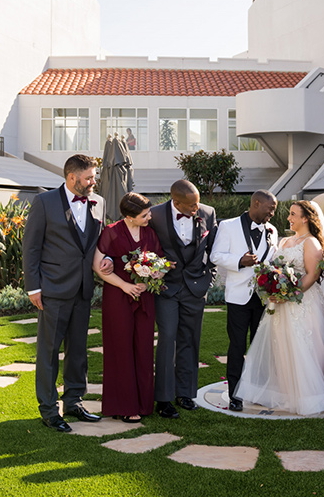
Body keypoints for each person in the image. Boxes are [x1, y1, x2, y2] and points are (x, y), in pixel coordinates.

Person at [23, 154, 107, 432]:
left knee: (78, 351)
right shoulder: (44, 202)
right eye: (89, 178)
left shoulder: (99, 202)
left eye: (94, 176)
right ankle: (49, 410)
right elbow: (31, 247)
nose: (94, 181)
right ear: (72, 178)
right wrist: (33, 287)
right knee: (48, 352)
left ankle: (74, 401)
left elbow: (96, 243)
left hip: (83, 289)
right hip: (52, 290)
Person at [236, 200, 324, 415]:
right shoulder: (286, 240)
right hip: (279, 303)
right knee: (281, 346)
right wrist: (272, 288)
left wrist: (290, 294)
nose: (289, 218)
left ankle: (307, 395)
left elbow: (312, 275)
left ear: (305, 218)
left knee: (303, 346)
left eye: (293, 214)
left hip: (302, 303)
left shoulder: (311, 243)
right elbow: (275, 268)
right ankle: (285, 392)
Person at [147, 180, 218, 419]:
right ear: (175, 202)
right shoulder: (155, 215)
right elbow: (146, 248)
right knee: (168, 339)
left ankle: (185, 393)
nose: (196, 209)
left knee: (190, 338)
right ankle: (164, 399)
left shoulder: (208, 213)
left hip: (195, 289)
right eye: (191, 205)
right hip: (167, 288)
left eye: (197, 204)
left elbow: (215, 250)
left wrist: (209, 278)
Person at [93, 192, 160, 423]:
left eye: (148, 213)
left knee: (143, 349)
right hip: (118, 297)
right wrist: (124, 285)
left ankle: (143, 403)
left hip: (144, 297)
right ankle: (124, 405)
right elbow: (97, 266)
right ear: (129, 217)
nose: (149, 217)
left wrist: (152, 275)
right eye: (144, 215)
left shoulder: (150, 233)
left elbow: (161, 263)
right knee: (120, 349)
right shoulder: (111, 231)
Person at [211, 190, 278, 411]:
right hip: (238, 297)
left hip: (262, 297)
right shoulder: (228, 226)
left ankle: (258, 391)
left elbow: (273, 258)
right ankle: (235, 394)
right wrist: (239, 260)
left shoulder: (272, 230)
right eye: (270, 208)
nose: (272, 213)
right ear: (256, 203)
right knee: (237, 346)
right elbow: (216, 255)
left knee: (260, 347)